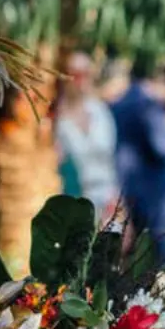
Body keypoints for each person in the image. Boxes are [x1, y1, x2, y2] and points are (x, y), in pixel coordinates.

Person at [111, 57, 165, 262]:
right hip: (156, 198)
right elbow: (164, 148)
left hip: (128, 194)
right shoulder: (150, 107)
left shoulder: (119, 102)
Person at [54, 52, 118, 219]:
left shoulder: (100, 111)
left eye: (86, 74)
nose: (81, 81)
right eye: (75, 75)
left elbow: (112, 163)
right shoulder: (55, 120)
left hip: (107, 202)